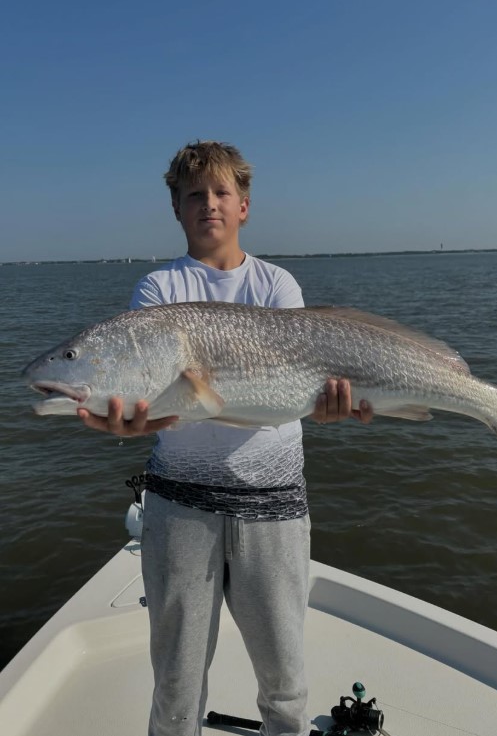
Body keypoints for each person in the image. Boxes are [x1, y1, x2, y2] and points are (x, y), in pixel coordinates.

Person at [78, 140, 373, 736]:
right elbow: (148, 392)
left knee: (286, 685)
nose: (208, 203)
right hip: (179, 506)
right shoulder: (158, 294)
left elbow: (290, 391)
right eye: (194, 195)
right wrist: (122, 418)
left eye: (221, 192)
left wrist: (332, 407)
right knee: (177, 688)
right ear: (177, 210)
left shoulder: (277, 285)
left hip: (276, 507)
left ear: (244, 206)